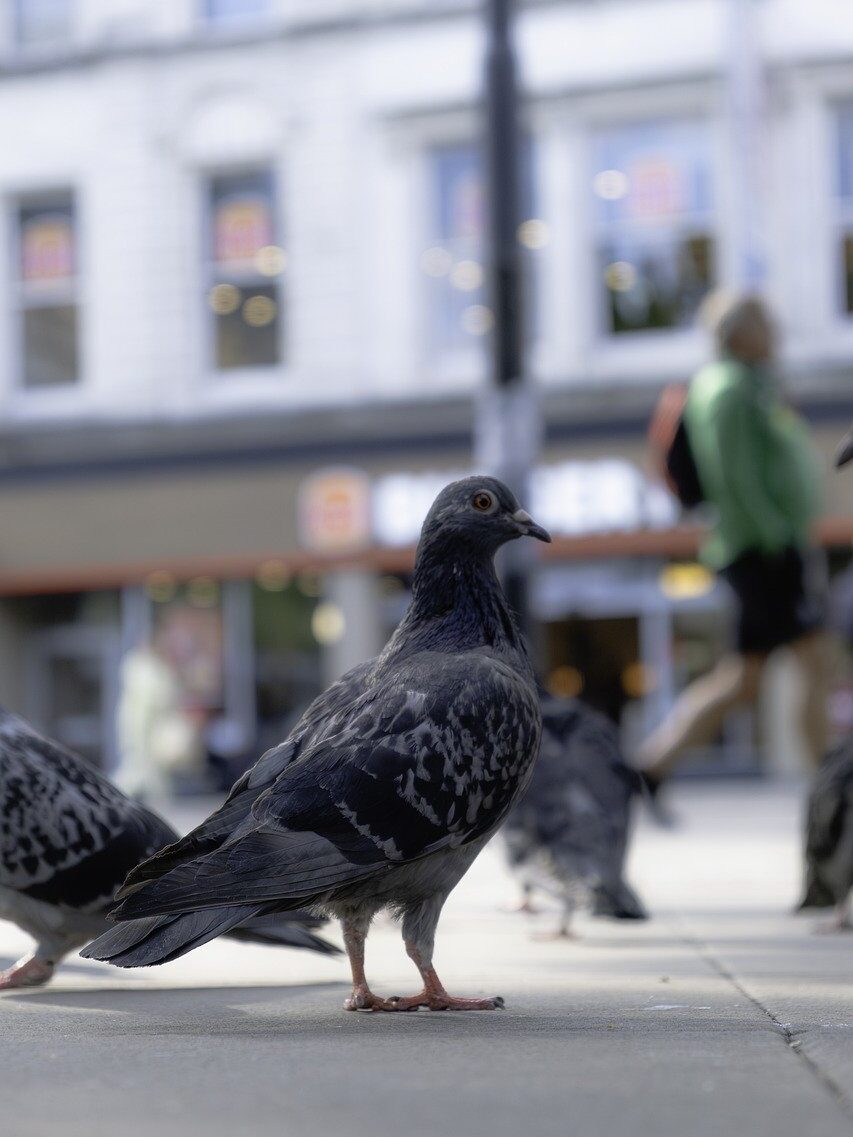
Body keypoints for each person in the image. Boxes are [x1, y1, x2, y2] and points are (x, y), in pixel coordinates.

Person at [639, 292, 829, 803]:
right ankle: (834, 784)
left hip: (765, 548)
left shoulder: (752, 385)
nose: (777, 330)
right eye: (766, 321)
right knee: (812, 661)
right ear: (742, 331)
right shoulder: (727, 390)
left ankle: (651, 766)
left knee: (745, 676)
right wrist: (775, 539)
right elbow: (735, 477)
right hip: (762, 552)